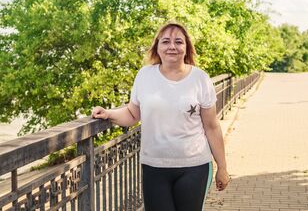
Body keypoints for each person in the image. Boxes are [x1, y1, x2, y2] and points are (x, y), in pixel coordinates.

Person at [92, 22, 230, 211]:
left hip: (194, 166)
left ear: (187, 48)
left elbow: (212, 126)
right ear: (157, 47)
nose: (172, 46)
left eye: (178, 42)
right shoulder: (144, 76)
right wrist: (108, 114)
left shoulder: (200, 79)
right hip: (154, 166)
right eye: (165, 41)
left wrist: (222, 168)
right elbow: (133, 114)